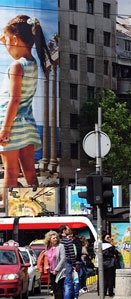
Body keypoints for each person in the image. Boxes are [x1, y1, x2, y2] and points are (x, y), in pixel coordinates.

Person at [0, 16, 52, 192]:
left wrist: (5, 128)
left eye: (5, 39)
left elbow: (14, 99)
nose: (3, 43)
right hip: (28, 125)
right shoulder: (33, 64)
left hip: (12, 127)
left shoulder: (16, 66)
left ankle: (7, 211)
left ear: (15, 39)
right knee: (30, 172)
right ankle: (37, 205)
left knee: (11, 172)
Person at [45, 231, 67, 299]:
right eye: (53, 238)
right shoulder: (48, 247)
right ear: (49, 239)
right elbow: (47, 258)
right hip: (51, 271)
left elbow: (63, 259)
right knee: (54, 290)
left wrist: (57, 269)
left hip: (60, 271)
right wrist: (47, 266)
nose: (55, 239)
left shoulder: (60, 246)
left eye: (56, 237)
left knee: (59, 289)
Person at [59, 225, 76, 299]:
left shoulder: (58, 241)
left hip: (59, 265)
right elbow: (72, 254)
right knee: (68, 285)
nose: (69, 230)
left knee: (61, 285)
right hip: (67, 264)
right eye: (68, 229)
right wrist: (74, 264)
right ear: (64, 231)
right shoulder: (68, 241)